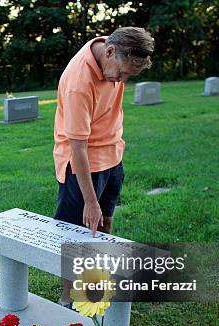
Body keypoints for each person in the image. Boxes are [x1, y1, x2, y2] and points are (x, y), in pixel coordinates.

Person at [53, 27, 154, 307]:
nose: (121, 81)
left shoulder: (116, 58)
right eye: (122, 74)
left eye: (127, 77)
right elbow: (78, 148)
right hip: (82, 165)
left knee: (104, 226)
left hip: (112, 156)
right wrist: (90, 200)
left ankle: (94, 281)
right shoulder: (78, 82)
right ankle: (67, 299)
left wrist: (116, 154)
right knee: (75, 236)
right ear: (109, 52)